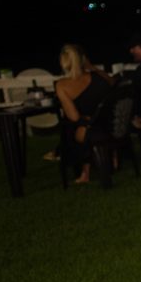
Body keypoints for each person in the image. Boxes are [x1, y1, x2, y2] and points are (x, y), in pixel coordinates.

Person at [55, 43, 115, 183]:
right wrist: (92, 67)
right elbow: (112, 83)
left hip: (92, 128)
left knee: (72, 127)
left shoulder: (62, 85)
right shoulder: (98, 78)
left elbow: (73, 116)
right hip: (111, 123)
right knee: (84, 124)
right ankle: (112, 159)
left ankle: (83, 172)